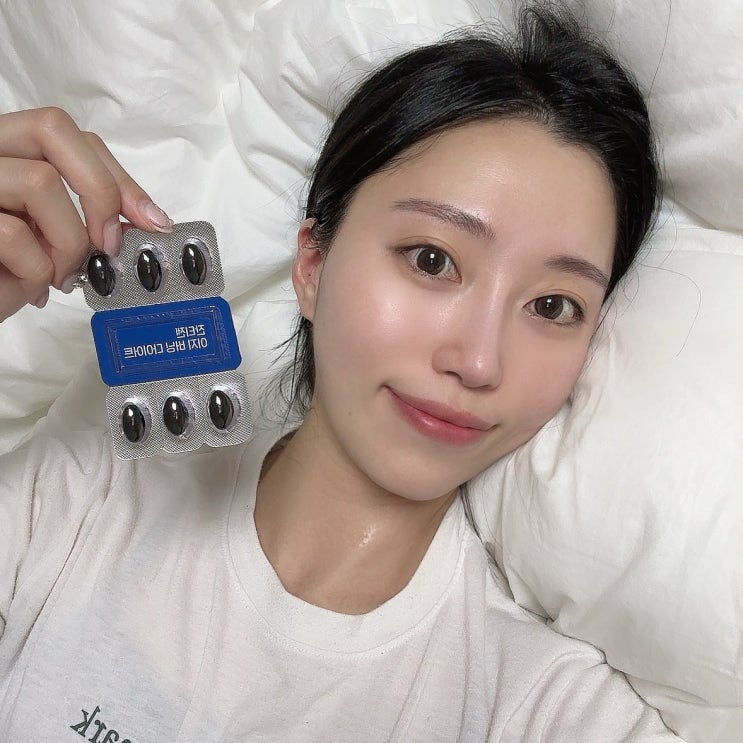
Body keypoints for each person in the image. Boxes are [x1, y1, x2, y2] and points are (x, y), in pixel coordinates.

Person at [0, 6, 682, 742]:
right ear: (313, 265)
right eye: (432, 260)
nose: (479, 361)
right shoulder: (80, 498)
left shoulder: (543, 709)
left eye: (552, 305)